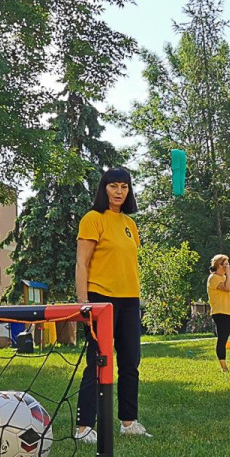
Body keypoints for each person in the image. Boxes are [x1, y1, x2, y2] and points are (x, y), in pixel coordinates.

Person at [75, 167, 151, 442]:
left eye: (124, 186)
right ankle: (84, 427)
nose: (119, 192)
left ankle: (128, 422)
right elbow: (82, 263)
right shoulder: (93, 219)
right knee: (97, 361)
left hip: (130, 300)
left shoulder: (130, 225)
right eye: (113, 186)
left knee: (131, 362)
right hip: (100, 299)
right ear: (103, 188)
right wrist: (84, 304)